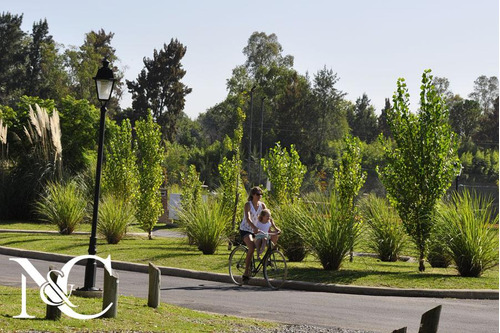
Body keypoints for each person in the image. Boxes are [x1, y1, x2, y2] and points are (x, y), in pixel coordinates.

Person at [239, 186, 266, 282]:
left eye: (261, 194)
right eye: (258, 194)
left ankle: (263, 259)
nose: (260, 196)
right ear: (253, 195)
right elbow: (248, 218)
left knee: (266, 240)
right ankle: (246, 271)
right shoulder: (248, 205)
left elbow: (267, 217)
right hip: (246, 229)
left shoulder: (262, 206)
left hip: (256, 230)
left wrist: (273, 228)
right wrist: (254, 227)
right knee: (251, 246)